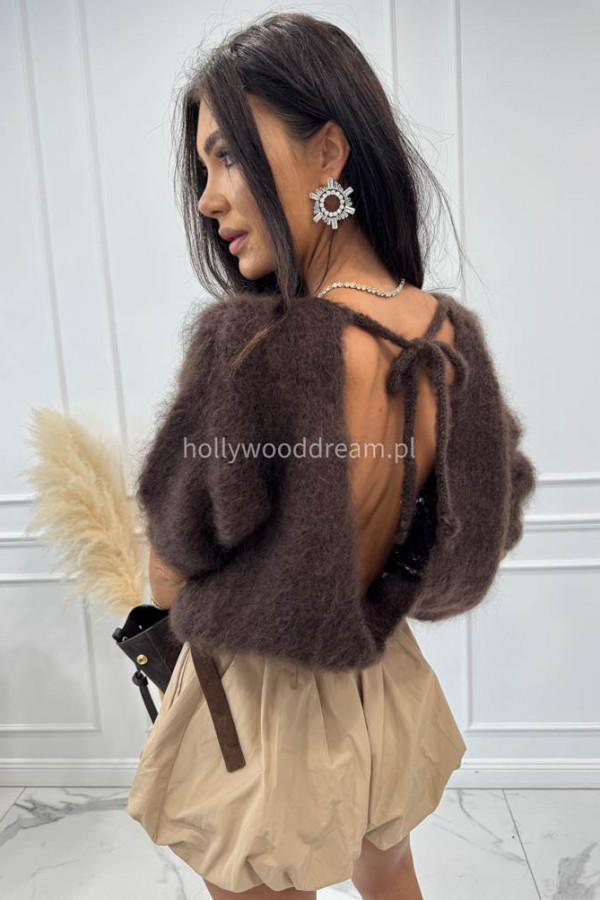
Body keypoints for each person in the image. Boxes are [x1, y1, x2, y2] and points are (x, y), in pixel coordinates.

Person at [127, 11, 535, 900]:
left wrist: (161, 622)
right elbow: (485, 525)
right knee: (390, 877)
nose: (207, 198)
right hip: (383, 682)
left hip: (267, 707)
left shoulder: (255, 347)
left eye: (229, 157)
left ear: (328, 153)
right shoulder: (450, 336)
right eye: (203, 169)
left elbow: (174, 551)